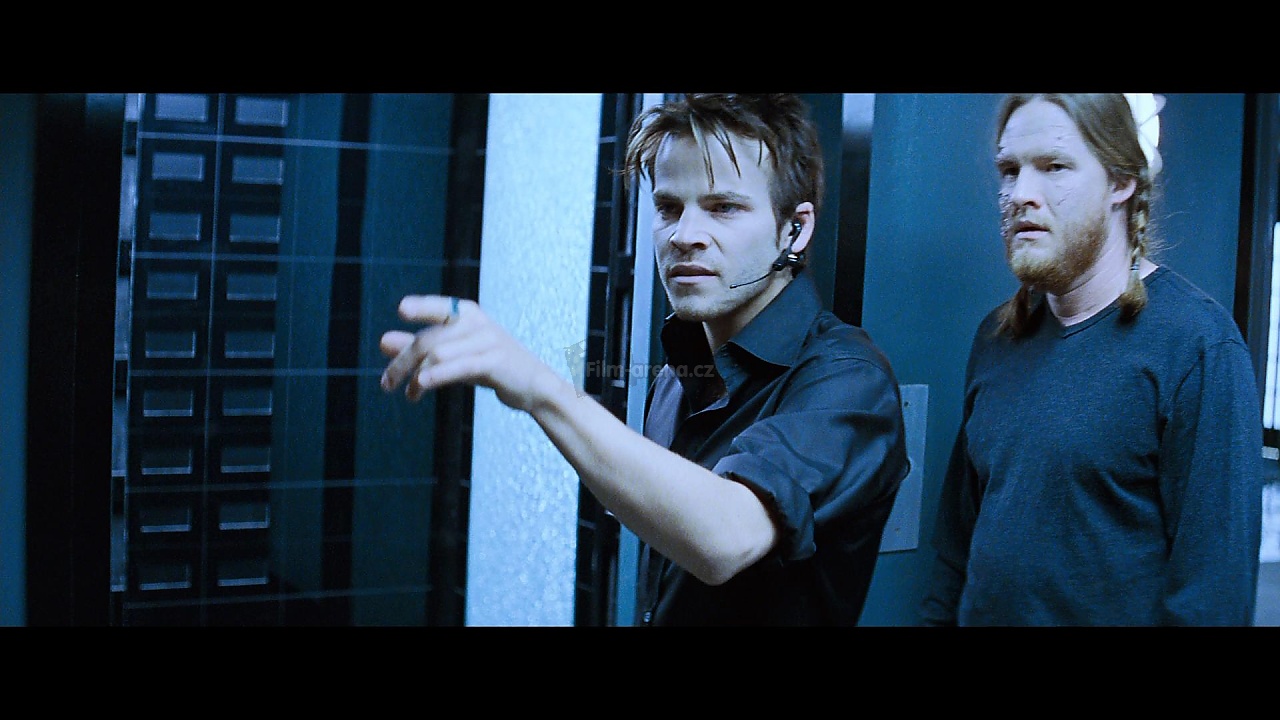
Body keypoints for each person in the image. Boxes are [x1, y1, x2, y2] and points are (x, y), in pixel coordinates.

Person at [380, 93, 910, 626]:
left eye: (724, 207)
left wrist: (541, 387)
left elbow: (726, 540)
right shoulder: (679, 374)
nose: (684, 236)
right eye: (669, 208)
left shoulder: (848, 378)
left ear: (794, 228)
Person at [920, 93, 1263, 626]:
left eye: (1054, 167)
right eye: (1009, 170)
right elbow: (955, 556)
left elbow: (1211, 599)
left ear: (1120, 182)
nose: (1020, 194)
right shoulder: (996, 335)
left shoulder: (1198, 346)